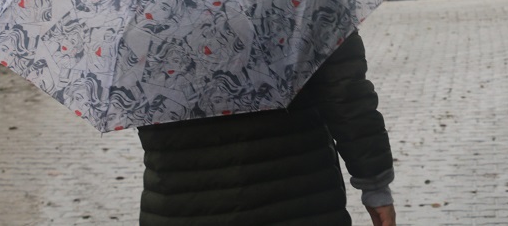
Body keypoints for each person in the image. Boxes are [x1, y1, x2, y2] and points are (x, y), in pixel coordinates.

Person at [137, 29, 396, 226]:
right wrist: (375, 186)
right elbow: (345, 93)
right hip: (297, 199)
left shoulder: (134, 11)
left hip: (179, 205)